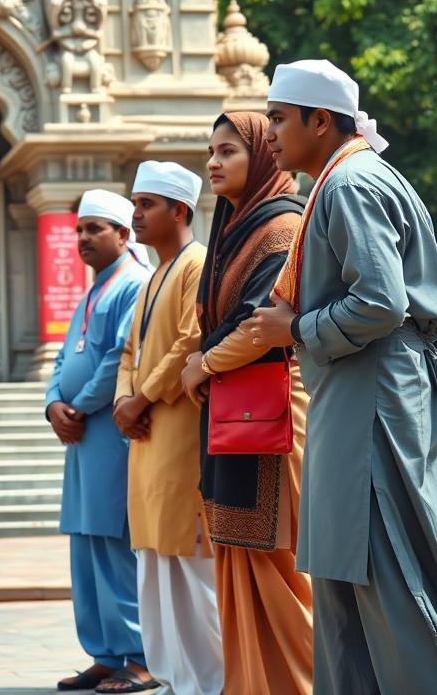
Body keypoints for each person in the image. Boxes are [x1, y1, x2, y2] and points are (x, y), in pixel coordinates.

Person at [250, 59, 437, 695]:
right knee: (344, 578)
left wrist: (295, 331)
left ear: (320, 119)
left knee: (390, 578)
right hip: (356, 395)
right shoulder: (341, 179)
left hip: (374, 395)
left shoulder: (351, 183)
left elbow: (381, 303)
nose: (271, 132)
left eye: (279, 118)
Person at [179, 112, 313, 695]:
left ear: (258, 157)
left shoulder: (281, 226)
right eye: (210, 150)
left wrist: (203, 365)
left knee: (277, 561)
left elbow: (259, 325)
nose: (213, 161)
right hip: (234, 411)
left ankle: (308, 681)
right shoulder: (233, 228)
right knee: (236, 557)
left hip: (274, 412)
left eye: (228, 151)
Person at [113, 161, 223, 695]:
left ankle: (214, 681)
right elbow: (130, 349)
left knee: (190, 565)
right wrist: (123, 401)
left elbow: (190, 340)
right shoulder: (153, 272)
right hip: (146, 437)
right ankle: (178, 681)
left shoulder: (198, 264)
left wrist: (142, 398)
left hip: (178, 434)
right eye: (135, 204)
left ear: (179, 210)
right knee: (155, 564)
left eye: (145, 204)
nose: (134, 214)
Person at [46, 189, 152, 694]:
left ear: (123, 234)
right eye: (79, 230)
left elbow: (118, 359)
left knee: (116, 543)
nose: (83, 239)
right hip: (82, 436)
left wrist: (79, 406)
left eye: (95, 229)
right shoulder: (91, 292)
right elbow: (64, 359)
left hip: (110, 430)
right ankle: (105, 655)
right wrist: (52, 403)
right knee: (86, 548)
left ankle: (140, 657)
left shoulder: (134, 284)